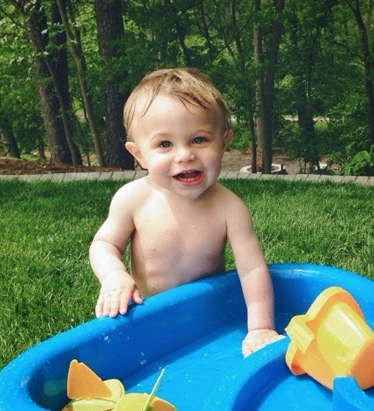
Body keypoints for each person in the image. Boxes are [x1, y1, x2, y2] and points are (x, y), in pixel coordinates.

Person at [89, 67, 283, 357]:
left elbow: (252, 269)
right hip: (147, 315)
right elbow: (104, 244)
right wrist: (114, 275)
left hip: (205, 317)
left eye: (199, 139)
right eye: (165, 144)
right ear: (139, 154)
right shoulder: (133, 199)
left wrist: (260, 327)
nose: (185, 155)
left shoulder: (229, 208)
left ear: (223, 142)